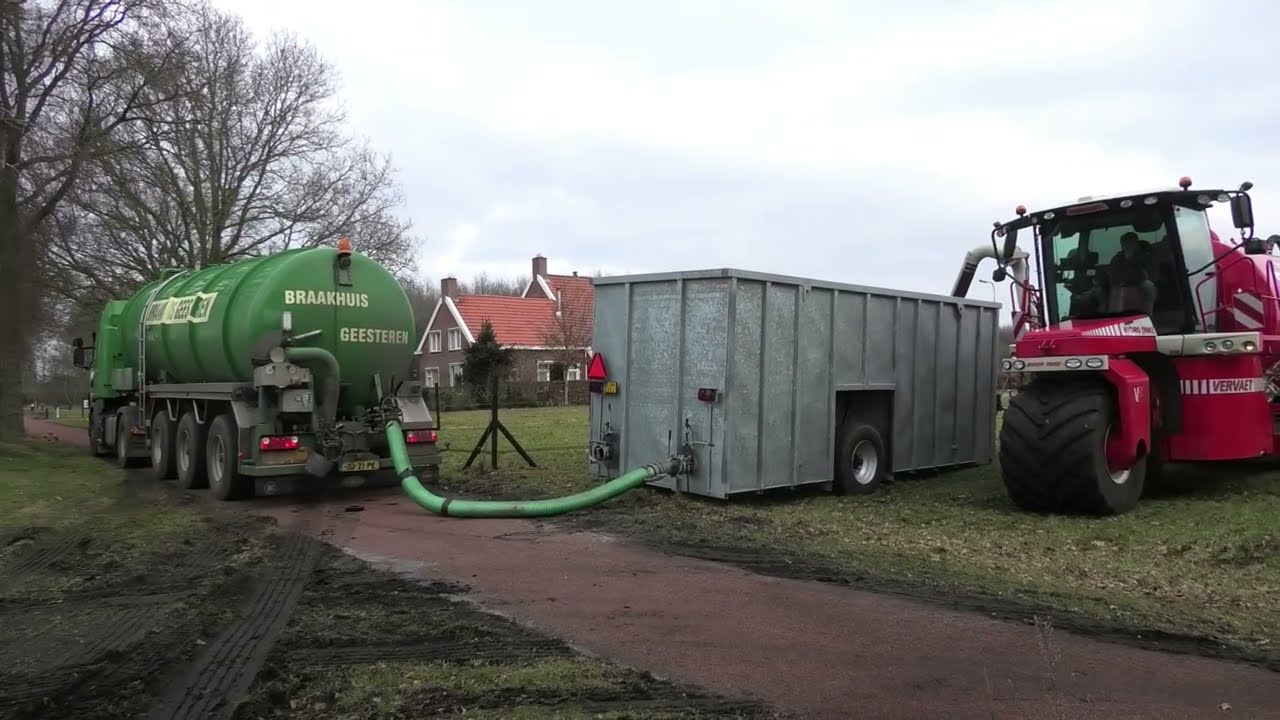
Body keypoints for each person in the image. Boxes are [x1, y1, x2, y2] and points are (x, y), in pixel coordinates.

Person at [1103, 232, 1157, 314]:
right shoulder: (1117, 259)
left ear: (1136, 244)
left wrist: (1132, 261)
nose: (1127, 245)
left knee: (1149, 286)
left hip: (1140, 284)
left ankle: (1147, 316)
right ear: (1122, 245)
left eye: (1130, 243)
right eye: (1125, 243)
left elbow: (1151, 275)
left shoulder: (1145, 257)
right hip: (1120, 286)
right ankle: (1112, 318)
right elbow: (1112, 275)